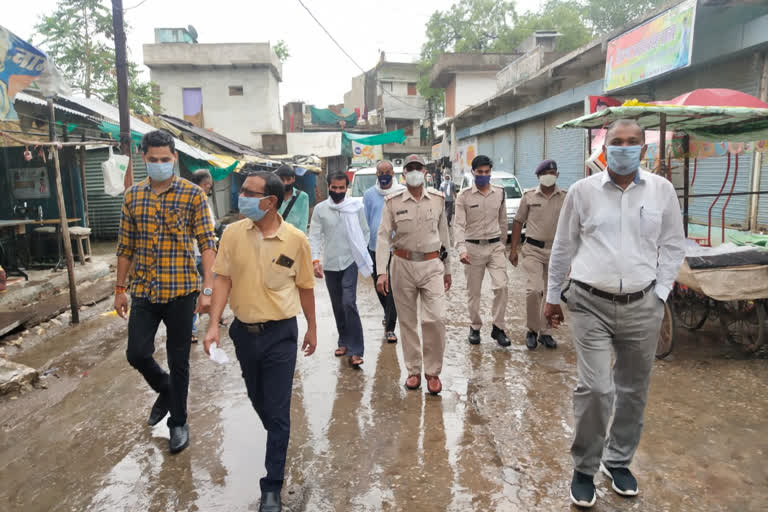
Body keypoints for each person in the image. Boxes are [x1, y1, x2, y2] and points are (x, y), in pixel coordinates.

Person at [544, 119, 685, 508]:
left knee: (633, 390)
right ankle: (584, 467)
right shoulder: (582, 192)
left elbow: (673, 244)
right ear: (605, 148)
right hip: (590, 303)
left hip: (643, 305)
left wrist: (660, 292)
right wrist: (553, 295)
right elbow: (562, 247)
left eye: (632, 142)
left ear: (643, 148)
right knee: (595, 389)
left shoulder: (661, 191)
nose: (624, 148)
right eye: (617, 142)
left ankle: (618, 460)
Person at [203, 168, 317, 512]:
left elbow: (306, 287)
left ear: (270, 201)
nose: (242, 197)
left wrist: (312, 327)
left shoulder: (295, 240)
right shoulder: (233, 234)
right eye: (243, 191)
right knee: (260, 401)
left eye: (250, 193)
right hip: (244, 333)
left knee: (279, 410)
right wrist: (213, 325)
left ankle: (272, 486)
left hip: (281, 334)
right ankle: (278, 439)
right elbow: (221, 279)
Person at [114, 130, 216, 454]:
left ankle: (178, 422)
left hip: (182, 290)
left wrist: (208, 289)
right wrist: (119, 289)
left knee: (179, 359)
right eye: (153, 159)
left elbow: (207, 244)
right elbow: (125, 246)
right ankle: (166, 387)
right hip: (144, 289)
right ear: (144, 158)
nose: (159, 164)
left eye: (165, 159)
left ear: (174, 158)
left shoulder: (192, 195)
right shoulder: (132, 196)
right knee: (137, 353)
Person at [376, 154, 451, 395]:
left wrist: (447, 270)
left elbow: (445, 237)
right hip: (402, 265)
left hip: (431, 265)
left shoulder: (438, 200)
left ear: (425, 172)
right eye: (410, 169)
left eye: (419, 168)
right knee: (407, 322)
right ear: (404, 173)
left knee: (436, 319)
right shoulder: (392, 202)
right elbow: (382, 237)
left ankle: (433, 372)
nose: (415, 172)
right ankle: (414, 371)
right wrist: (381, 272)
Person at [309, 172, 371, 367]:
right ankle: (343, 341)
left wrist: (359, 254)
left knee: (349, 303)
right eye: (334, 188)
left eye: (341, 188)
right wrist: (315, 260)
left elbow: (365, 231)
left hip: (350, 262)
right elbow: (315, 235)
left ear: (347, 188)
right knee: (337, 305)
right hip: (330, 264)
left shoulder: (355, 207)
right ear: (329, 187)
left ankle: (356, 350)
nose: (337, 191)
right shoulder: (320, 209)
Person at [509, 159, 566, 350]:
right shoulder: (529, 197)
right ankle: (532, 330)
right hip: (532, 249)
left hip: (556, 251)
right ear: (538, 177)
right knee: (534, 290)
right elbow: (518, 222)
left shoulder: (565, 197)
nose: (549, 176)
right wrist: (513, 249)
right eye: (545, 173)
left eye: (552, 172)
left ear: (557, 175)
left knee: (551, 291)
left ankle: (546, 332)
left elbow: (573, 226)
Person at [454, 155, 511, 347]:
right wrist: (461, 249)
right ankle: (475, 326)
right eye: (480, 172)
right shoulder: (463, 196)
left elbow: (503, 221)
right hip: (472, 248)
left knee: (502, 286)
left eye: (487, 172)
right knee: (474, 292)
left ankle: (498, 327)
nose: (483, 175)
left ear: (490, 172)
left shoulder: (500, 193)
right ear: (473, 172)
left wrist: (502, 245)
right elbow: (459, 225)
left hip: (495, 247)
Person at [363, 160, 404, 343]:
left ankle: (390, 327)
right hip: (374, 246)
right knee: (379, 285)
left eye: (388, 172)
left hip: (396, 247)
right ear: (377, 175)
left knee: (394, 287)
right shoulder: (369, 194)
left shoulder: (402, 192)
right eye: (381, 172)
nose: (384, 175)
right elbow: (365, 219)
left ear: (393, 173)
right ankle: (388, 315)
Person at [188, 169, 217, 343]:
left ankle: (214, 318)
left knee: (209, 288)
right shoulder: (192, 200)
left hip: (205, 253)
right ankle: (191, 327)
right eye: (207, 185)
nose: (208, 188)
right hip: (196, 253)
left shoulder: (204, 201)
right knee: (195, 292)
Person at [275, 165, 309, 234]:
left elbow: (303, 222)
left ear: (293, 179)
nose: (285, 183)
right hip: (276, 236)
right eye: (282, 179)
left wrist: (299, 239)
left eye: (288, 179)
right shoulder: (273, 196)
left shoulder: (303, 197)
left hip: (294, 237)